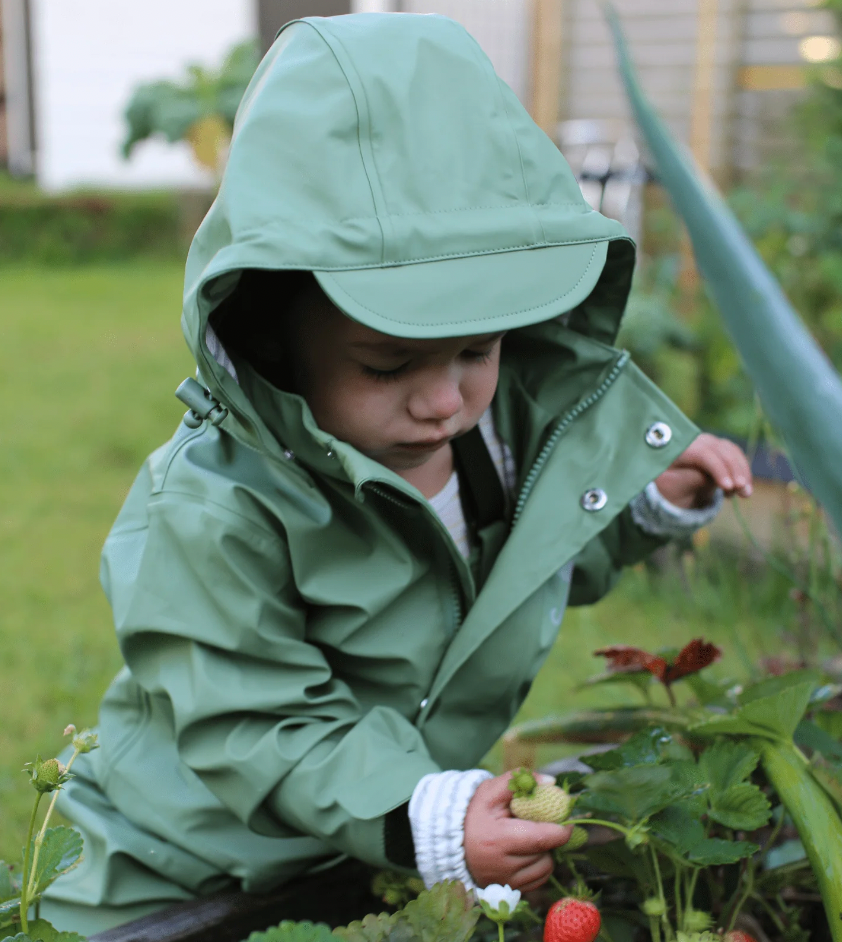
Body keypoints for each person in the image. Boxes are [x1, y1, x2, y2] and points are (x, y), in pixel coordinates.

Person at [42, 11, 752, 935]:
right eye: (389, 365)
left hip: (362, 848)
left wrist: (648, 502)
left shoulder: (495, 446)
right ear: (270, 326)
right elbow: (253, 718)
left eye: (478, 349)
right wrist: (429, 813)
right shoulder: (216, 506)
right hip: (172, 871)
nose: (443, 401)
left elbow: (523, 575)